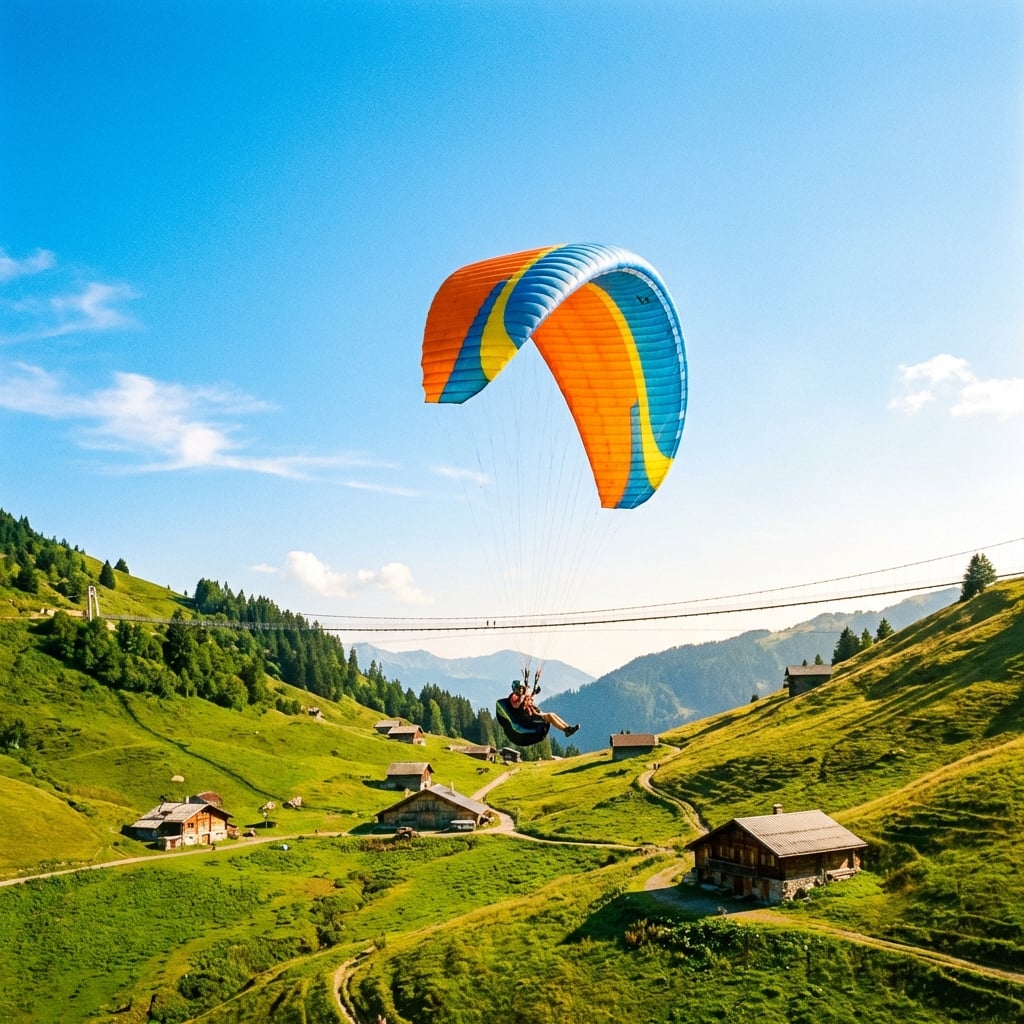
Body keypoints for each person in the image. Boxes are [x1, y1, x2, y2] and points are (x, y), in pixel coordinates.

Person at [508, 681, 579, 737]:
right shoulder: (513, 697)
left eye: (521, 688)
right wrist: (527, 693)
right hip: (528, 719)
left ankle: (568, 728)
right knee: (549, 716)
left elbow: (528, 700)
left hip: (532, 714)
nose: (520, 690)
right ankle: (566, 730)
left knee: (552, 714)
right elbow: (519, 703)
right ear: (515, 689)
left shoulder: (522, 696)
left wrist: (534, 693)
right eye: (519, 688)